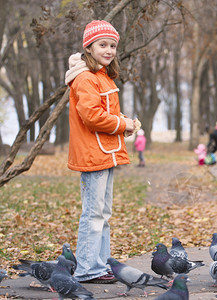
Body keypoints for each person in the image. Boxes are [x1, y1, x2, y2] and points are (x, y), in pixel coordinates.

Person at [65, 20, 136, 284]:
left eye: (112, 45)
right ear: (89, 47)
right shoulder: (85, 78)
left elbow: (106, 113)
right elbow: (92, 116)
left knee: (103, 214)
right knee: (93, 215)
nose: (108, 50)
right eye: (102, 45)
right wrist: (122, 124)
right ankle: (87, 269)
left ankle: (101, 263)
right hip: (92, 154)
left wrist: (125, 123)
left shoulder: (102, 76)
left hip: (105, 152)